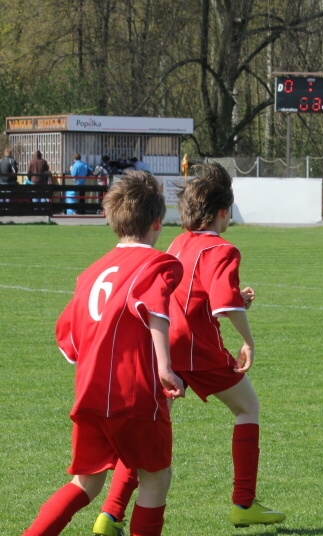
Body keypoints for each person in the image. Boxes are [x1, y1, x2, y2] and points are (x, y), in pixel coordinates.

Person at [94, 162, 285, 533]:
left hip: (163, 346)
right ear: (223, 212)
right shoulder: (225, 249)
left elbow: (190, 292)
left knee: (147, 433)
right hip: (197, 348)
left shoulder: (178, 242)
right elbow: (222, 305)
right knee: (248, 409)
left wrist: (233, 300)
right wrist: (247, 340)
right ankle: (243, 503)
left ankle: (110, 514)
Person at [20, 171, 185, 536]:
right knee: (155, 478)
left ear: (112, 219)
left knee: (85, 484)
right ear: (158, 222)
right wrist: (165, 367)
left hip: (90, 395)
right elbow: (156, 310)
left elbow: (69, 342)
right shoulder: (157, 264)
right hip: (134, 395)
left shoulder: (91, 273)